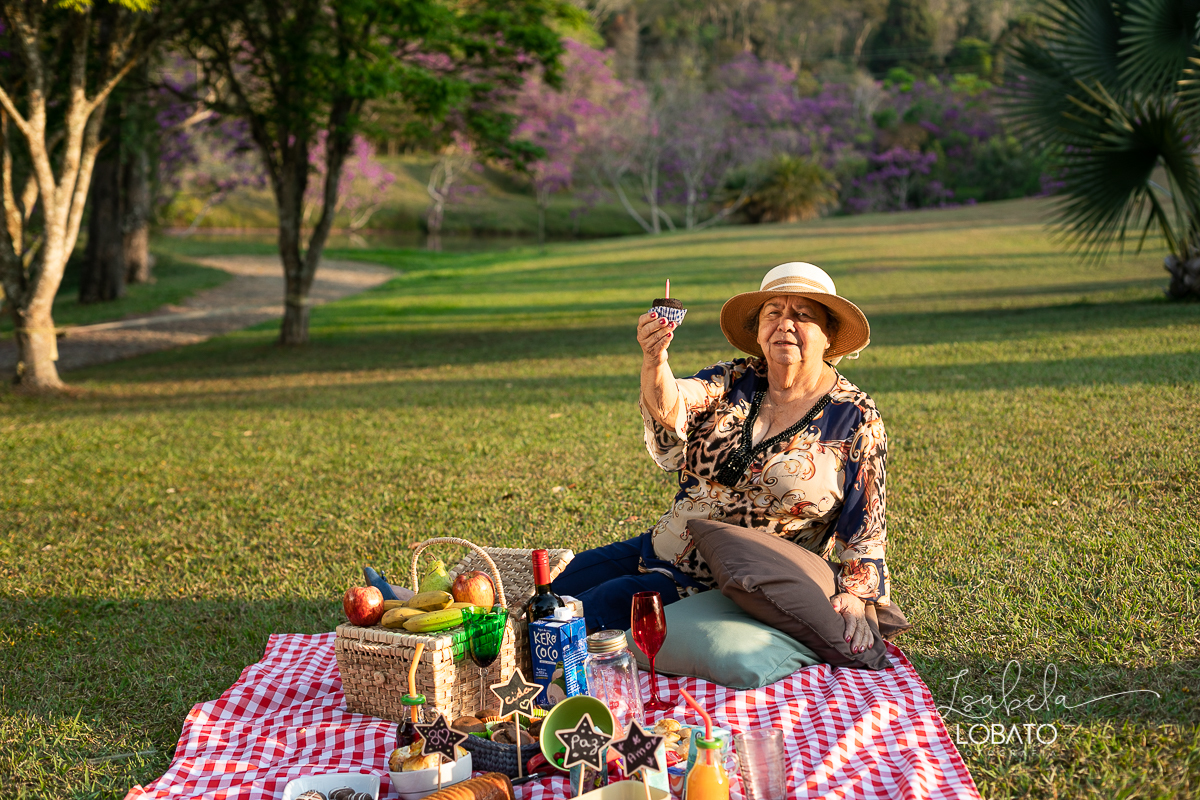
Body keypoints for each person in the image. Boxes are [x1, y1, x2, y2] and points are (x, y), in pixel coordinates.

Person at [552, 262, 890, 656]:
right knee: (545, 593)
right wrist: (654, 361)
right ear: (759, 329)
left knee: (575, 618)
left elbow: (866, 521)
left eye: (802, 315)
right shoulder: (732, 379)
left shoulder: (855, 417)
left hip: (720, 582)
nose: (785, 324)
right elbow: (674, 405)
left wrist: (855, 595)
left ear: (828, 335)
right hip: (661, 547)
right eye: (773, 313)